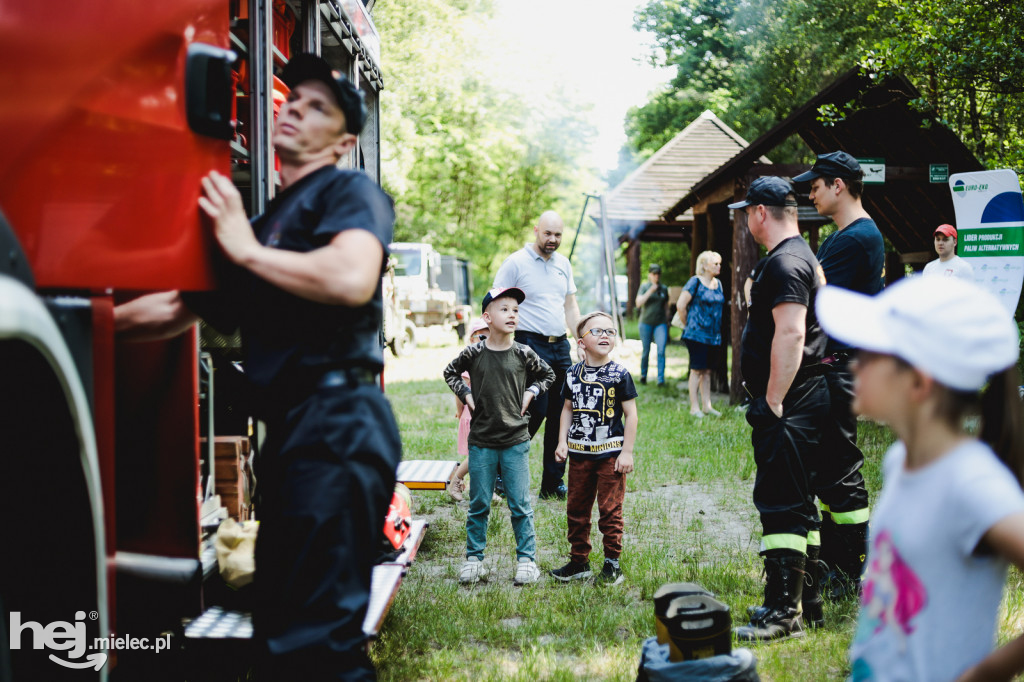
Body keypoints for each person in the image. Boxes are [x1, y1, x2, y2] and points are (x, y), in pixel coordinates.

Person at [114, 54, 400, 680]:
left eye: (318, 106)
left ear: (344, 142)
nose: (296, 106)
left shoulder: (350, 192)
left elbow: (351, 278)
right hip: (295, 433)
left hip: (341, 425)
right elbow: (173, 308)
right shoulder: (268, 225)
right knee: (279, 626)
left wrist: (241, 247)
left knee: (315, 641)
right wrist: (76, 324)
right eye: (294, 97)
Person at [814, 276, 1024, 682]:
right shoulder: (899, 461)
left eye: (873, 354)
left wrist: (987, 672)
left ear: (918, 382)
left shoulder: (970, 481)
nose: (856, 363)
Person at [729, 177, 829, 642]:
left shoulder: (786, 262)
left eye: (747, 211)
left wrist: (772, 398)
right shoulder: (800, 254)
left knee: (781, 502)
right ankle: (804, 601)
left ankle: (784, 614)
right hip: (803, 397)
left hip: (791, 401)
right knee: (799, 501)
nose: (747, 219)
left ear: (761, 212)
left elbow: (790, 333)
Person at [795, 151, 882, 600]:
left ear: (839, 186)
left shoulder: (856, 239)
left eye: (816, 184)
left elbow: (816, 304)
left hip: (839, 370)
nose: (810, 192)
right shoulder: (846, 236)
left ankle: (848, 573)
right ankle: (828, 567)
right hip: (830, 369)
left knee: (840, 471)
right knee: (824, 469)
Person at [443, 287, 555, 586]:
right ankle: (474, 559)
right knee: (479, 502)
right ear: (487, 317)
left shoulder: (524, 352)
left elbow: (548, 375)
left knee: (519, 503)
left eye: (516, 310)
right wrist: (465, 394)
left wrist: (532, 391)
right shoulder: (474, 353)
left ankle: (526, 561)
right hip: (481, 440)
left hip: (516, 440)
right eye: (504, 309)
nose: (512, 314)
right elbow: (450, 372)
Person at [493, 211, 582, 500]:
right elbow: (496, 301)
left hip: (561, 347)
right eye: (548, 233)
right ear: (536, 230)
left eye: (558, 235)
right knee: (535, 410)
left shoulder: (564, 264)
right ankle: (503, 473)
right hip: (529, 344)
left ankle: (552, 483)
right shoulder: (516, 262)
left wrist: (580, 336)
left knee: (563, 413)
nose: (553, 239)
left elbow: (570, 306)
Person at [550, 311, 638, 586]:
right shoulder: (572, 374)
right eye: (597, 331)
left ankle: (612, 565)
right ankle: (579, 562)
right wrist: (562, 441)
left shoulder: (619, 374)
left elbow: (631, 415)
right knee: (576, 508)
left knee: (610, 510)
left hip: (610, 455)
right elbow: (566, 409)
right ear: (581, 341)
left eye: (610, 331)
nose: (604, 335)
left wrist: (627, 451)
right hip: (578, 455)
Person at [676, 250, 726, 417]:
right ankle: (694, 408)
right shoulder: (695, 282)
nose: (719, 266)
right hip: (696, 335)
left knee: (707, 371)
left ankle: (707, 406)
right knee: (697, 370)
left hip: (713, 336)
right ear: (704, 265)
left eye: (719, 263)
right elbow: (681, 305)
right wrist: (688, 325)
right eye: (715, 263)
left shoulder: (718, 284)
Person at [447, 317, 490, 502]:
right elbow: (459, 391)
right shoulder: (469, 360)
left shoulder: (490, 358)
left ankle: (479, 488)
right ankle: (456, 480)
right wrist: (459, 410)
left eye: (490, 336)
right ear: (472, 339)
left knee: (487, 454)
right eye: (481, 337)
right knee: (478, 453)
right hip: (472, 415)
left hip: (487, 414)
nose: (485, 341)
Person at [635, 263, 670, 386]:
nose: (656, 276)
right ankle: (643, 375)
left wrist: (668, 321)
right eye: (654, 274)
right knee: (646, 350)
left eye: (658, 274)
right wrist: (650, 291)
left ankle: (661, 379)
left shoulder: (664, 288)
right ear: (650, 275)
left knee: (661, 350)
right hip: (646, 323)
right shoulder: (645, 287)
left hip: (660, 324)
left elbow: (666, 306)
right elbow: (638, 303)